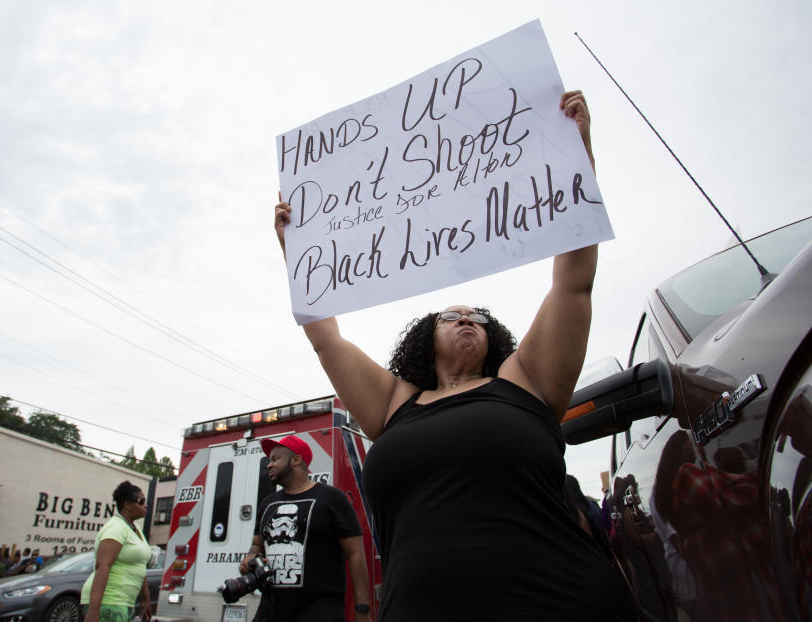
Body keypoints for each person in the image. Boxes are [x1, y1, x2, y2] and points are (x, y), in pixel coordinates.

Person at [273, 91, 636, 620]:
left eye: (478, 317)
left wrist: (578, 156)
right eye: (452, 315)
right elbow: (325, 336)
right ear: (426, 338)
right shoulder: (392, 402)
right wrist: (298, 249)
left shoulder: (526, 380)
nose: (467, 319)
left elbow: (574, 281)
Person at [238, 435, 371, 622]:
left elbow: (355, 554)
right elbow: (257, 544)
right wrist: (251, 557)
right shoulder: (268, 503)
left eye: (275, 459)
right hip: (271, 610)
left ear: (296, 460)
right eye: (269, 460)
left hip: (319, 611)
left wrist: (362, 609)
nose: (269, 465)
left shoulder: (332, 499)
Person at [81, 481, 153, 622]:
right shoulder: (116, 528)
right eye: (141, 501)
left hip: (124, 601)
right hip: (109, 601)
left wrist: (146, 600)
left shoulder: (135, 529)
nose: (146, 505)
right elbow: (103, 566)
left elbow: (139, 566)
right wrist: (94, 610)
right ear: (127, 504)